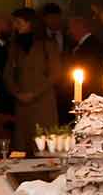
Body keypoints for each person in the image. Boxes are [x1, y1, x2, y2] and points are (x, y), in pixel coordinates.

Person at [4, 8, 61, 154]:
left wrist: (34, 93)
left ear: (30, 23)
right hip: (22, 103)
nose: (15, 26)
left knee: (44, 144)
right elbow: (8, 74)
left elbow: (55, 73)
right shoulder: (14, 45)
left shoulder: (47, 44)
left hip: (43, 102)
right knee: (22, 145)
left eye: (18, 22)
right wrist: (17, 93)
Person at [66, 15, 103, 100]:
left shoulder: (92, 45)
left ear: (80, 27)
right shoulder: (84, 44)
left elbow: (90, 69)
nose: (70, 31)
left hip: (90, 92)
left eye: (72, 28)